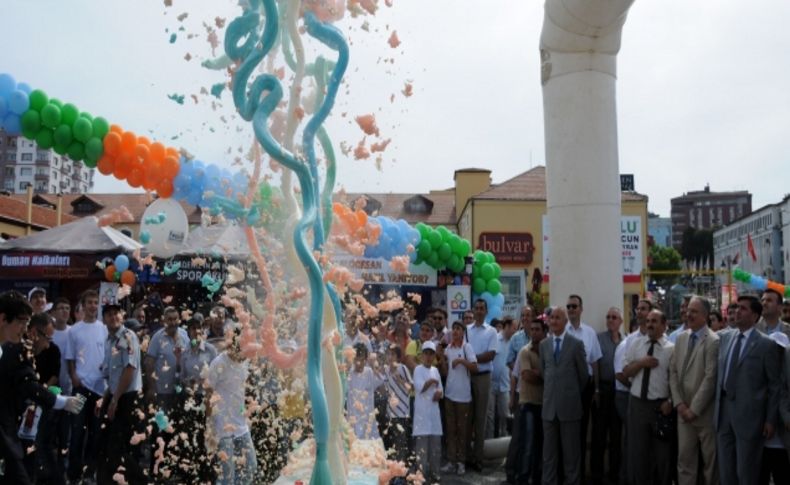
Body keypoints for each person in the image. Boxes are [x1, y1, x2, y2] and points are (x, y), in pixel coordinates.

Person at [0, 291, 84, 485]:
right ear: (4, 319)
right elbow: (28, 384)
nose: (24, 329)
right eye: (21, 322)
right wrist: (62, 402)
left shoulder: (10, 349)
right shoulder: (17, 352)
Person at [715, 295, 781, 485]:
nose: (737, 312)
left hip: (749, 416)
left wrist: (770, 419)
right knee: (726, 471)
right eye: (736, 308)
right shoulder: (725, 338)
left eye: (743, 309)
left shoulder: (765, 344)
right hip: (724, 410)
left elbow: (774, 385)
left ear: (755, 316)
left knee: (746, 471)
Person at [668, 296, 720, 485]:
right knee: (685, 461)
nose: (688, 314)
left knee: (710, 464)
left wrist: (694, 409)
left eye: (694, 311)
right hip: (683, 413)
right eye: (688, 310)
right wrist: (680, 404)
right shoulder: (681, 338)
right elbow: (672, 372)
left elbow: (710, 378)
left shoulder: (713, 341)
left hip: (704, 414)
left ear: (705, 316)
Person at [95, 303, 146, 484]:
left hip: (127, 398)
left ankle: (138, 481)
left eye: (116, 313)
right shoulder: (109, 341)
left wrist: (115, 400)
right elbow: (112, 376)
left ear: (122, 316)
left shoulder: (127, 336)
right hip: (114, 395)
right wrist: (106, 399)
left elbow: (129, 369)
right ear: (104, 319)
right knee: (106, 443)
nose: (113, 317)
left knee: (122, 445)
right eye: (109, 314)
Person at [623, 309, 674, 485]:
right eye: (648, 321)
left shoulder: (671, 349)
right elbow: (626, 372)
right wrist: (641, 363)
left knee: (662, 456)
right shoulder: (636, 344)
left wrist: (670, 401)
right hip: (637, 405)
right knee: (638, 453)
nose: (650, 324)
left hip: (661, 408)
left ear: (664, 325)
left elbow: (676, 379)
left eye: (654, 321)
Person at [540, 306, 588, 485]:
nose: (553, 321)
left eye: (558, 318)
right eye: (551, 318)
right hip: (549, 409)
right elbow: (545, 373)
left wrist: (569, 392)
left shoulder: (576, 344)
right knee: (549, 456)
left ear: (565, 321)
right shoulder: (544, 345)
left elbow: (583, 376)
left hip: (570, 408)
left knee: (571, 456)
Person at [64, 289, 107, 483]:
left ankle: (89, 472)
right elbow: (69, 357)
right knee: (77, 433)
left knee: (96, 433)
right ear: (82, 305)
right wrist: (74, 376)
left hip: (99, 389)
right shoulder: (74, 330)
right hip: (81, 387)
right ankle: (73, 474)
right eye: (89, 302)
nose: (92, 306)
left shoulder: (104, 328)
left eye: (95, 303)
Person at [207, 328, 258, 484]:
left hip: (241, 424)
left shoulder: (246, 360)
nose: (244, 355)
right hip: (222, 426)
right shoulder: (218, 363)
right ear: (232, 346)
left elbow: (242, 387)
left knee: (251, 465)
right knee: (227, 473)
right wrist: (209, 428)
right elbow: (208, 395)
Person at [564, 294, 603, 476]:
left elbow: (595, 362)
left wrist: (596, 389)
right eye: (569, 306)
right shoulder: (561, 331)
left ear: (581, 309)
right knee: (565, 431)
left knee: (581, 430)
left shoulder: (589, 333)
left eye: (574, 306)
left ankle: (578, 474)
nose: (571, 309)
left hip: (585, 388)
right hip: (565, 387)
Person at [591, 307, 624, 485]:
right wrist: (596, 389)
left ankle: (614, 475)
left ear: (621, 321)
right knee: (599, 436)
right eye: (608, 316)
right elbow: (594, 364)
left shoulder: (626, 341)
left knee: (617, 436)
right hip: (602, 391)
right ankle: (596, 476)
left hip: (619, 392)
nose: (610, 320)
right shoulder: (598, 338)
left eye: (614, 317)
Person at [440, 321, 477, 476]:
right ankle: (451, 461)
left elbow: (475, 368)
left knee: (463, 431)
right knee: (451, 430)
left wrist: (461, 361)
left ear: (463, 332)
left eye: (458, 329)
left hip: (463, 397)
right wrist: (441, 358)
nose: (455, 331)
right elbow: (445, 372)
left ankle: (461, 462)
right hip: (449, 395)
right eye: (453, 329)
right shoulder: (448, 349)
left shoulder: (467, 347)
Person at [466, 298, 498, 471]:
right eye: (476, 308)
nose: (479, 311)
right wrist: (469, 362)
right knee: (467, 417)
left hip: (483, 377)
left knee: (480, 419)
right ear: (473, 310)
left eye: (481, 308)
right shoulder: (466, 330)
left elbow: (491, 355)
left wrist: (471, 359)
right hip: (466, 376)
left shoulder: (491, 331)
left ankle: (478, 458)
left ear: (486, 312)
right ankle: (466, 457)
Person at [516, 318, 546, 485]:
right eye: (532, 329)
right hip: (528, 403)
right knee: (527, 444)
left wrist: (538, 373)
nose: (534, 332)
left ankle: (537, 478)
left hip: (544, 404)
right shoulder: (525, 351)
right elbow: (527, 376)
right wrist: (544, 375)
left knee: (540, 444)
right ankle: (522, 478)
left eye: (537, 329)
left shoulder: (547, 350)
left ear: (543, 332)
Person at [412, 341, 443, 483]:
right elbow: (420, 388)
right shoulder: (418, 369)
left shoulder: (436, 371)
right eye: (427, 354)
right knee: (422, 450)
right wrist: (431, 382)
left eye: (432, 354)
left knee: (435, 448)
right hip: (422, 416)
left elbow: (440, 390)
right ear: (422, 355)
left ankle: (435, 473)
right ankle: (421, 476)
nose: (429, 357)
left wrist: (439, 394)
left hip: (434, 414)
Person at [347, 343, 385, 439]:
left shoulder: (369, 372)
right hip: (353, 421)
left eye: (362, 359)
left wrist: (374, 364)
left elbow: (381, 380)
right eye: (357, 359)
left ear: (366, 359)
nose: (359, 363)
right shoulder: (348, 374)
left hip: (368, 422)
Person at [383, 346, 412, 463]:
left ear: (398, 357)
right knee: (392, 445)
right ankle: (394, 473)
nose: (390, 357)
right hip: (390, 413)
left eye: (393, 355)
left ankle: (401, 474)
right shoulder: (386, 370)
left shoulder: (403, 368)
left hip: (402, 413)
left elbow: (411, 388)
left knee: (400, 444)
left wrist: (401, 381)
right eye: (388, 354)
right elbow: (385, 389)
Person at [488, 316, 515, 438]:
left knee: (505, 415)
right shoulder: (494, 339)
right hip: (491, 383)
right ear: (507, 327)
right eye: (513, 328)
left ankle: (503, 443)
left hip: (506, 385)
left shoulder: (514, 343)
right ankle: (488, 444)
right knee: (490, 416)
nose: (515, 331)